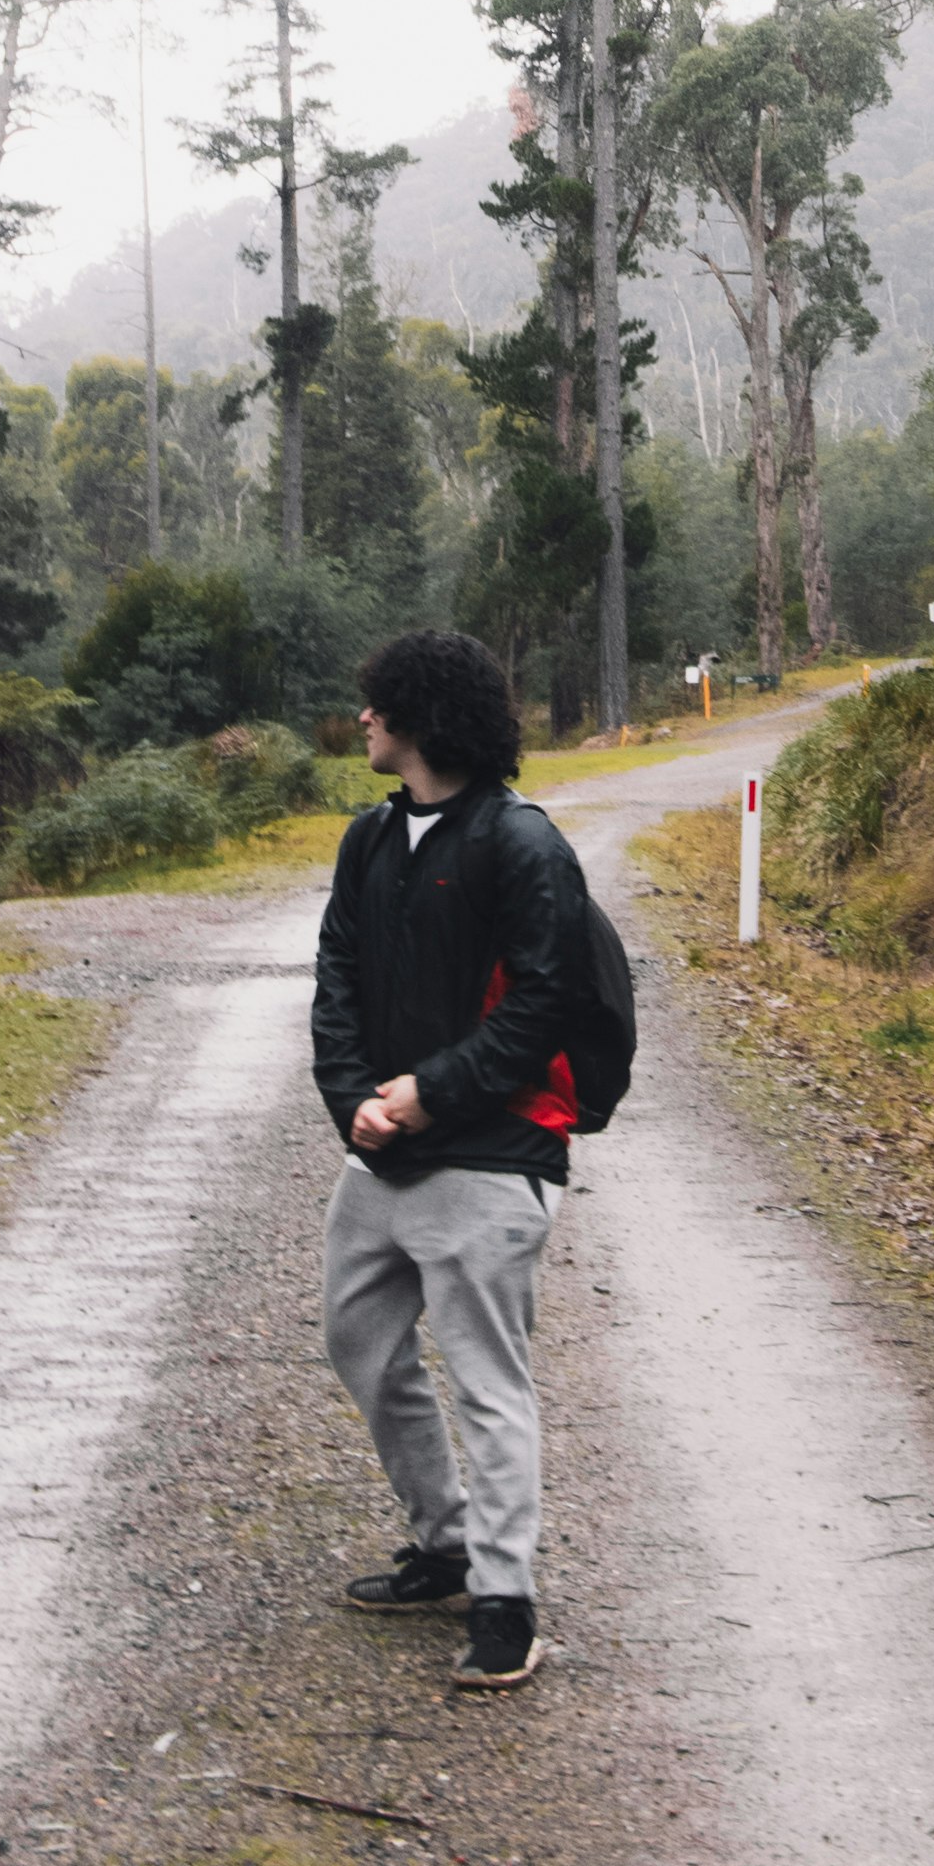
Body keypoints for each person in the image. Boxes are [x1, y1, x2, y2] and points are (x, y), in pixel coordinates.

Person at [307, 626, 590, 1692]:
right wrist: (354, 1104)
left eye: (378, 703)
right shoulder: (368, 840)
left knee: (486, 1380)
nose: (364, 718)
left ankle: (506, 1601)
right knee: (360, 1340)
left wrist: (428, 1094)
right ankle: (447, 1544)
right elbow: (335, 976)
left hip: (487, 1152)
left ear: (421, 717)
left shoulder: (522, 844)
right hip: (380, 1153)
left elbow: (542, 1005)